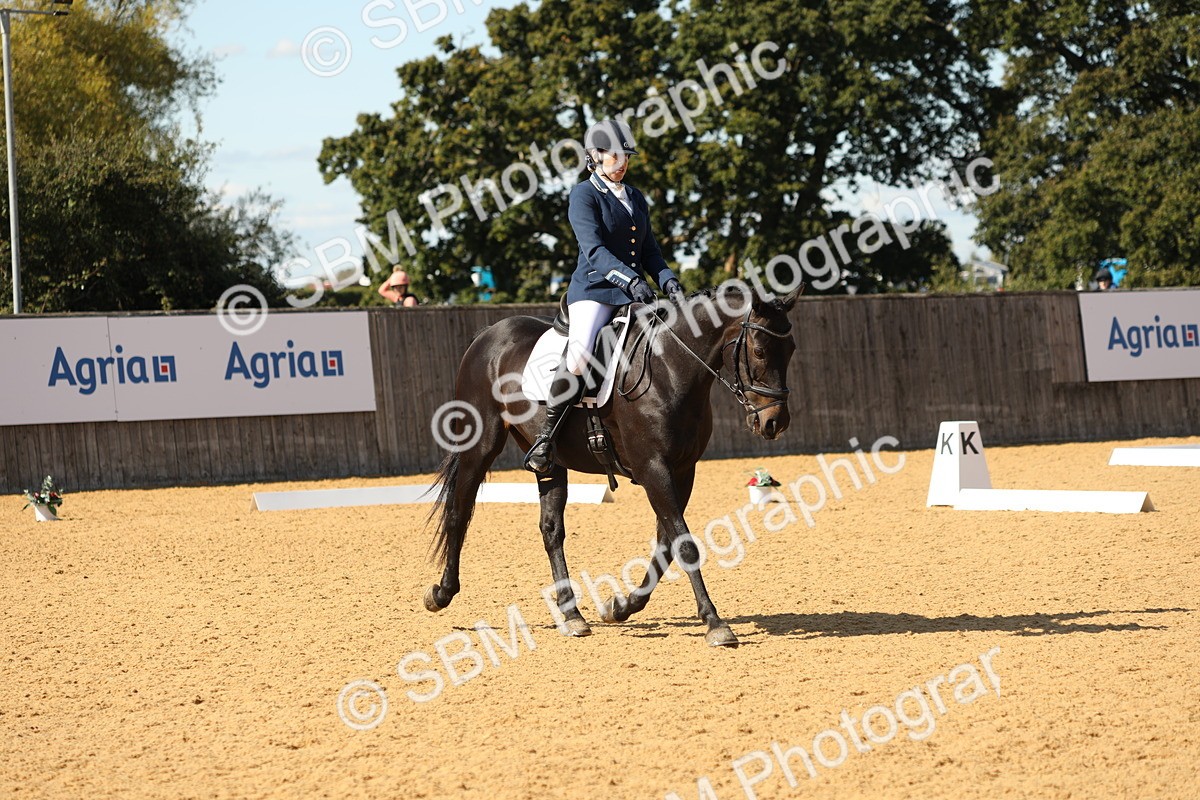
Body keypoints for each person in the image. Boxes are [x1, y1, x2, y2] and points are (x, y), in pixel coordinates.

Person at [523, 119, 685, 474]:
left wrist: (669, 281)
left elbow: (651, 252)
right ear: (594, 156)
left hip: (634, 292)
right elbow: (594, 250)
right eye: (613, 155)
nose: (621, 162)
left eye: (625, 155)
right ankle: (546, 437)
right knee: (580, 353)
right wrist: (629, 281)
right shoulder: (583, 194)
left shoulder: (636, 197)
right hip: (594, 291)